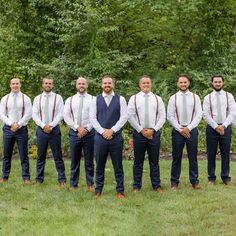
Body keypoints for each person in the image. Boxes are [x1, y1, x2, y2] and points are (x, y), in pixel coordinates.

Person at [90, 76, 128, 198]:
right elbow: (92, 118)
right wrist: (103, 131)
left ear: (113, 85)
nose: (107, 85)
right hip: (100, 138)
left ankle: (120, 191)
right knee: (99, 165)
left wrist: (112, 130)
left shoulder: (120, 99)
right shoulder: (95, 100)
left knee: (118, 166)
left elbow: (124, 117)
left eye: (109, 83)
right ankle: (98, 190)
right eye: (105, 83)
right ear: (102, 85)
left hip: (116, 138)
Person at [128, 75, 166, 193]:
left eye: (148, 83)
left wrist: (153, 130)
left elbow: (162, 116)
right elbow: (130, 116)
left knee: (154, 161)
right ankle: (136, 186)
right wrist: (141, 130)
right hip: (139, 133)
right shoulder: (134, 98)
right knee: (138, 161)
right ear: (140, 85)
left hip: (154, 133)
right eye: (143, 83)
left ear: (151, 84)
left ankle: (156, 185)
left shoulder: (157, 99)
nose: (146, 85)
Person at [167, 74, 202, 191]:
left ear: (188, 83)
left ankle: (194, 181)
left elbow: (199, 114)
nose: (183, 84)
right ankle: (174, 182)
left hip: (192, 130)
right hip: (178, 131)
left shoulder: (195, 97)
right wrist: (180, 129)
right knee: (176, 157)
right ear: (178, 84)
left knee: (193, 157)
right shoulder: (173, 98)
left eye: (185, 82)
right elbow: (170, 116)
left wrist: (189, 128)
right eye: (181, 82)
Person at [32, 77, 66, 186]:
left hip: (54, 129)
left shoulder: (58, 97)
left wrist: (51, 125)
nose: (48, 85)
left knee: (58, 156)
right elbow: (35, 114)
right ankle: (39, 179)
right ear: (43, 84)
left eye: (50, 83)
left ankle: (62, 180)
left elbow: (61, 114)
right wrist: (43, 125)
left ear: (52, 85)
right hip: (41, 130)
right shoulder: (37, 98)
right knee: (40, 155)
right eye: (46, 83)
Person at [203, 75, 235, 185]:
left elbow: (232, 113)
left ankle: (225, 177)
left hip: (225, 128)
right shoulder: (208, 97)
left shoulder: (229, 96)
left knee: (225, 153)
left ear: (223, 83)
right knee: (211, 154)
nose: (217, 83)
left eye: (219, 82)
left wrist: (224, 126)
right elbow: (206, 114)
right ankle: (211, 178)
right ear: (212, 83)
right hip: (212, 128)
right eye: (215, 82)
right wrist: (216, 126)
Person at [64, 77, 94, 190]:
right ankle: (73, 184)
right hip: (74, 133)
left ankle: (90, 184)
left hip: (89, 133)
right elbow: (66, 116)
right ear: (76, 86)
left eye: (83, 84)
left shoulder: (93, 99)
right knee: (74, 160)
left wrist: (86, 129)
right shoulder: (70, 100)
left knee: (89, 160)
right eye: (79, 83)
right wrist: (77, 128)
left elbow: (95, 116)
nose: (81, 85)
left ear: (87, 85)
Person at [0, 76, 32, 184]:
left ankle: (26, 178)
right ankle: (4, 177)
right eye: (13, 84)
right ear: (10, 85)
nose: (15, 85)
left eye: (17, 83)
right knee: (7, 155)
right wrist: (11, 124)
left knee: (24, 155)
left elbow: (28, 114)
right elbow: (2, 114)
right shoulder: (5, 99)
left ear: (20, 85)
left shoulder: (26, 98)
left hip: (21, 129)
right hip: (8, 129)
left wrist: (18, 124)